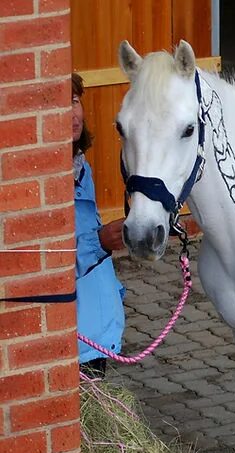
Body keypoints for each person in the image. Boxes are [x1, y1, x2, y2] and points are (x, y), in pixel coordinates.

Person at [72, 72, 126, 377]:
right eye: (60, 103)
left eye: (75, 101)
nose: (73, 114)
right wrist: (100, 242)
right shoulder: (44, 186)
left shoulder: (82, 167)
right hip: (77, 343)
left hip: (97, 333)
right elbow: (48, 262)